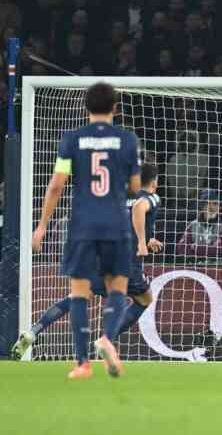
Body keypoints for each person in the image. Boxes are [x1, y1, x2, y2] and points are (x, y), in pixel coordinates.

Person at [30, 82, 141, 379]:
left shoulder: (72, 140)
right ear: (115, 108)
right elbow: (134, 187)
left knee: (79, 292)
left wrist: (41, 226)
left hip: (82, 225)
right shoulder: (127, 140)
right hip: (116, 224)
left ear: (85, 108)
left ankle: (82, 364)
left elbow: (56, 185)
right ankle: (106, 338)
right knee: (118, 287)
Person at [12, 164, 162, 360]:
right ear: (154, 183)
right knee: (144, 300)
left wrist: (147, 238)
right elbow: (139, 208)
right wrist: (142, 242)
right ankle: (106, 339)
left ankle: (33, 331)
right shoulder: (151, 197)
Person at [176, 189, 222, 262]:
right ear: (203, 206)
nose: (216, 206)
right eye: (211, 203)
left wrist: (195, 247)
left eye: (216, 203)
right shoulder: (193, 225)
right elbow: (181, 248)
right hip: (197, 267)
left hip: (219, 267)